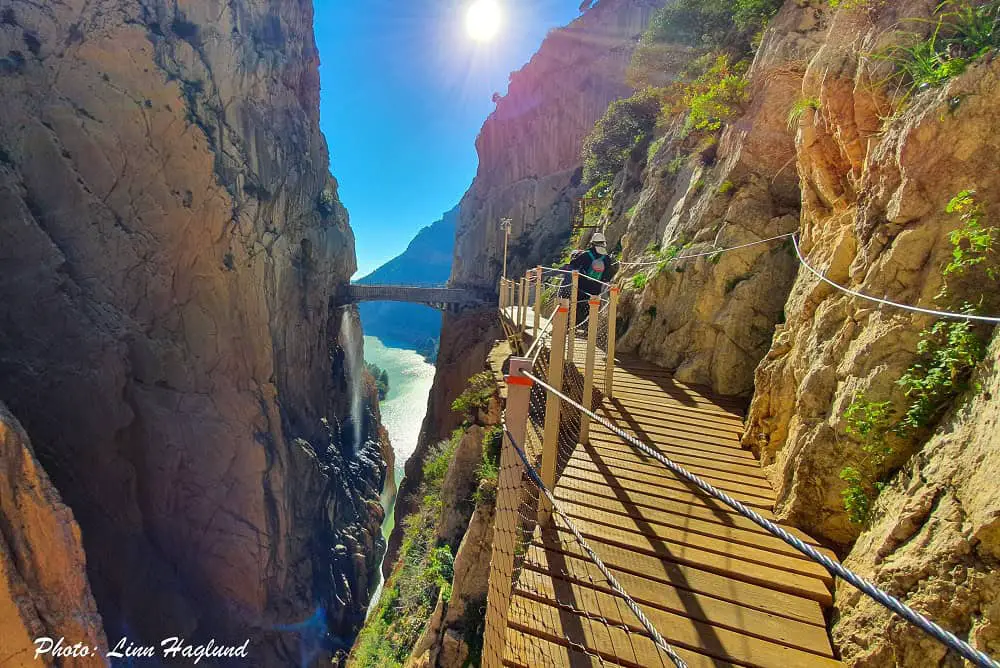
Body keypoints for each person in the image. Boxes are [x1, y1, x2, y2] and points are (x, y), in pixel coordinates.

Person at [561, 232, 617, 327]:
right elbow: (608, 275)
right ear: (603, 244)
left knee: (575, 306)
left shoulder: (586, 254)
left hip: (581, 288)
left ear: (592, 243)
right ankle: (588, 329)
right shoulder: (607, 258)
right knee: (592, 309)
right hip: (596, 289)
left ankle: (570, 326)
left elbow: (573, 264)